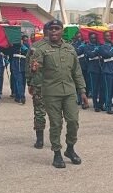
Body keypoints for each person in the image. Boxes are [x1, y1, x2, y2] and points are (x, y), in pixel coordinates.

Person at [29, 19, 88, 168]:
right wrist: (34, 71)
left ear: (62, 31)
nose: (54, 31)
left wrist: (82, 91)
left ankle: (70, 148)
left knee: (73, 121)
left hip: (69, 91)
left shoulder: (70, 49)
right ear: (47, 32)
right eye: (51, 29)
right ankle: (57, 153)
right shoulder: (41, 49)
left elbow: (77, 71)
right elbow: (35, 70)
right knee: (56, 124)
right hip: (51, 92)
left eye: (57, 29)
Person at [27, 28, 48, 149]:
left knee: (43, 112)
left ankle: (44, 139)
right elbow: (29, 65)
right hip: (40, 83)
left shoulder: (63, 46)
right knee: (42, 112)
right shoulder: (35, 47)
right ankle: (40, 138)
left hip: (47, 84)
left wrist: (29, 81)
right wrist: (29, 81)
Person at [98, 31, 113, 115]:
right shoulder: (101, 47)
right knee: (108, 90)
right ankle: (108, 107)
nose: (108, 37)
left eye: (109, 36)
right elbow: (108, 54)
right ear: (104, 37)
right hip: (107, 70)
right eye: (107, 36)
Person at [84, 32, 103, 111]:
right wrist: (96, 50)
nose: (94, 39)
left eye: (95, 38)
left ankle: (101, 104)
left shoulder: (99, 45)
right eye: (92, 38)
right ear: (89, 38)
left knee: (101, 88)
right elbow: (90, 55)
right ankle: (95, 105)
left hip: (101, 68)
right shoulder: (87, 46)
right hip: (92, 69)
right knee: (94, 88)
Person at [9, 35, 30, 104]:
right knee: (18, 81)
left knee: (23, 81)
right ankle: (20, 96)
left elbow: (28, 52)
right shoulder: (14, 45)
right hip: (16, 64)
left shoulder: (26, 44)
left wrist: (22, 46)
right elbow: (10, 53)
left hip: (24, 64)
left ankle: (20, 96)